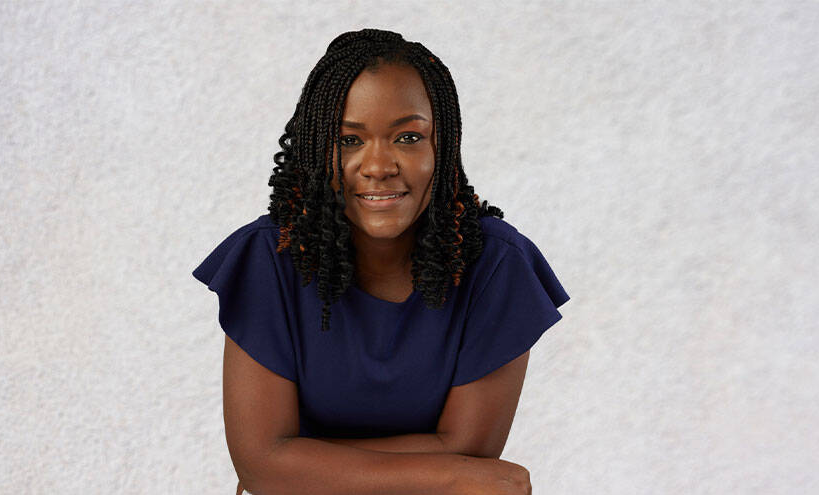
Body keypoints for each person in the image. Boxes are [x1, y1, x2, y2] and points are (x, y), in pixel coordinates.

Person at [193, 28, 570, 495]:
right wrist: (452, 474)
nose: (378, 166)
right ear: (318, 148)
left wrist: (300, 463)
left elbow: (470, 446)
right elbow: (261, 464)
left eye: (408, 137)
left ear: (443, 146)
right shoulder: (270, 259)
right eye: (349, 140)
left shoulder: (496, 265)